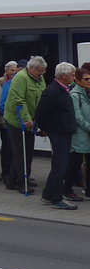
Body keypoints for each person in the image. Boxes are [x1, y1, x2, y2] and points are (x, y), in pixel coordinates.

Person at [35, 62, 78, 209]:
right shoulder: (52, 91)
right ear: (64, 75)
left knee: (59, 165)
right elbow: (41, 113)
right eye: (72, 75)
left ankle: (48, 193)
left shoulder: (63, 89)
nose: (74, 77)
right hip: (58, 132)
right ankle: (56, 197)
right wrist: (45, 128)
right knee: (60, 166)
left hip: (65, 131)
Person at [3, 56, 46, 193]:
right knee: (20, 152)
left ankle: (15, 178)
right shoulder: (20, 78)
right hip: (16, 119)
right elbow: (19, 100)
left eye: (43, 71)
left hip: (32, 119)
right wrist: (27, 119)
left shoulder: (39, 78)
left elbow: (42, 97)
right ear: (31, 68)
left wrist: (39, 120)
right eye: (39, 71)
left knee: (29, 151)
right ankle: (20, 182)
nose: (42, 74)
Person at [66, 65, 90, 202]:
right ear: (78, 80)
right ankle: (67, 189)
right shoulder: (75, 95)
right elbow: (77, 116)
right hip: (80, 135)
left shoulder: (87, 93)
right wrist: (88, 127)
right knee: (75, 163)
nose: (89, 81)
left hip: (87, 133)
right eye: (86, 79)